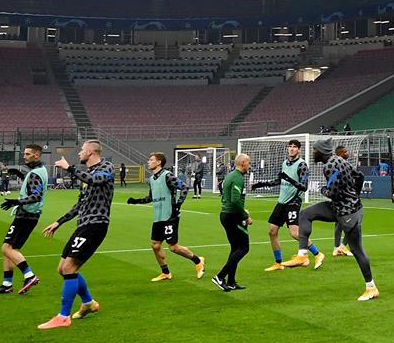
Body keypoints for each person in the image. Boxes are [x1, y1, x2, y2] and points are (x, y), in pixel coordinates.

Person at [283, 141, 379, 302]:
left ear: (321, 152)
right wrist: (355, 196)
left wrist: (322, 189)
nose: (313, 153)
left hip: (346, 213)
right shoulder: (341, 161)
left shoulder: (329, 166)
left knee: (357, 250)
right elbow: (359, 176)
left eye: (314, 150)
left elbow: (332, 193)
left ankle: (371, 288)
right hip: (346, 208)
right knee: (305, 214)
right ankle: (302, 255)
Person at [37, 139, 114, 329]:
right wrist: (59, 222)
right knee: (62, 268)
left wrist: (69, 168)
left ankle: (63, 317)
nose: (79, 153)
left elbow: (97, 180)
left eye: (81, 150)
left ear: (91, 152)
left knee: (69, 268)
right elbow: (80, 204)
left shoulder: (106, 167)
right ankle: (88, 303)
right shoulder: (87, 174)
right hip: (83, 225)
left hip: (96, 224)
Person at [128, 153, 205, 282]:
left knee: (173, 247)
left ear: (158, 162)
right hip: (158, 217)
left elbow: (184, 187)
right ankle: (166, 273)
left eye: (151, 160)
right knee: (155, 245)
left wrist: (178, 205)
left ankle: (198, 261)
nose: (148, 162)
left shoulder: (167, 176)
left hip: (170, 217)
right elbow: (150, 198)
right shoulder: (152, 179)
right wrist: (136, 201)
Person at [0, 143, 47, 295]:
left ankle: (30, 275)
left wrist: (15, 201)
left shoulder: (35, 173)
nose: (24, 156)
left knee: (6, 248)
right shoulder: (38, 171)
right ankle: (7, 284)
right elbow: (33, 187)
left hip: (26, 216)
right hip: (29, 216)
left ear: (36, 155)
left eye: (27, 154)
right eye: (24, 153)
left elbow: (36, 195)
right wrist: (20, 175)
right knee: (10, 249)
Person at [256, 140, 320, 271]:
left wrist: (288, 179)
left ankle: (318, 254)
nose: (291, 149)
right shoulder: (284, 163)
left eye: (294, 147)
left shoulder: (302, 165)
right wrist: (261, 184)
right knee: (272, 231)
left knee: (295, 234)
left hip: (293, 202)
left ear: (299, 150)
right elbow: (279, 180)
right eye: (289, 146)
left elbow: (304, 187)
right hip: (282, 202)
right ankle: (278, 263)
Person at [214, 153, 253, 291]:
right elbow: (235, 200)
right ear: (242, 163)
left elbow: (226, 196)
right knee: (244, 248)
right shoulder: (237, 178)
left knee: (235, 248)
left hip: (226, 214)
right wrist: (245, 216)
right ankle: (220, 276)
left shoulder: (231, 176)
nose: (250, 165)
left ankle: (230, 281)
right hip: (233, 216)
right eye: (248, 162)